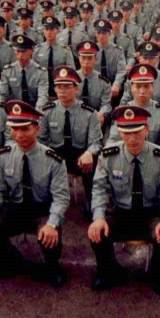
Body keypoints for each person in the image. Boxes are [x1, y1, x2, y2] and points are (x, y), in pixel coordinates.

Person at [0, 101, 70, 287]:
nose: (19, 135)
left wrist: (52, 223)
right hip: (16, 208)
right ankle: (12, 262)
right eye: (14, 129)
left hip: (42, 210)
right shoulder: (3, 156)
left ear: (37, 129)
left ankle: (52, 268)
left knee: (49, 235)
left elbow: (61, 197)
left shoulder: (54, 160)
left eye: (25, 129)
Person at [88, 105, 160, 296]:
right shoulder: (109, 155)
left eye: (137, 132)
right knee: (97, 232)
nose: (133, 138)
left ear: (147, 129)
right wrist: (98, 217)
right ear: (119, 132)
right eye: (127, 133)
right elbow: (99, 188)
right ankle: (109, 272)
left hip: (150, 214)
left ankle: (157, 274)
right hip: (121, 212)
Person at [38, 66, 102, 213]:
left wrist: (89, 153)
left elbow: (96, 142)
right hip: (55, 153)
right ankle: (43, 200)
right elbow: (41, 140)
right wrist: (46, 155)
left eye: (67, 87)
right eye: (59, 87)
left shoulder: (89, 113)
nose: (62, 91)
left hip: (79, 154)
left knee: (94, 158)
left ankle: (92, 201)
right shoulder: (46, 111)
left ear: (76, 89)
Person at [105, 63, 160, 157]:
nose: (142, 92)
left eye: (146, 86)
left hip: (154, 158)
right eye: (138, 86)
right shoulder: (122, 113)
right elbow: (113, 140)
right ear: (131, 88)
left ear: (153, 87)